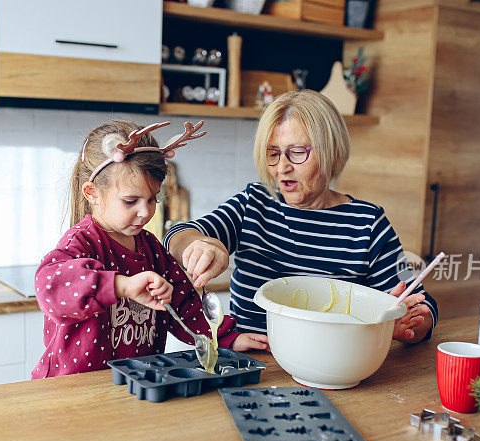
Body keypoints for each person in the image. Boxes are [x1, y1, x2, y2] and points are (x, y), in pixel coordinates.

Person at [164, 90, 438, 343]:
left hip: (333, 369)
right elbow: (178, 235)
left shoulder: (368, 224)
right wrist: (201, 245)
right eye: (273, 154)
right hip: (254, 368)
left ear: (330, 152)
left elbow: (422, 305)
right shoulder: (254, 204)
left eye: (297, 153)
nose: (282, 167)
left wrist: (406, 326)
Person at [31, 120, 268, 379]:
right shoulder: (82, 242)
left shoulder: (151, 248)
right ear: (92, 193)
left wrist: (227, 337)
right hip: (75, 390)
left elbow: (184, 304)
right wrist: (123, 286)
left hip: (132, 384)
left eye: (152, 198)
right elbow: (50, 287)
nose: (145, 212)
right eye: (131, 201)